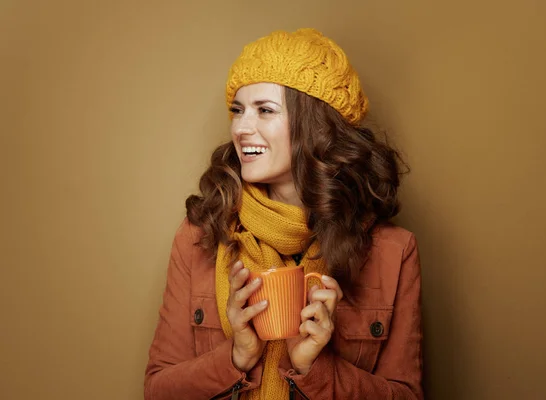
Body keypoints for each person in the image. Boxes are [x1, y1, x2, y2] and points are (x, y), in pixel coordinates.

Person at [144, 28, 423, 400]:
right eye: (238, 111)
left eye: (265, 110)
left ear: (318, 127)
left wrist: (314, 370)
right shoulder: (200, 235)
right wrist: (236, 357)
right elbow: (158, 391)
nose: (241, 128)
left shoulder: (392, 251)